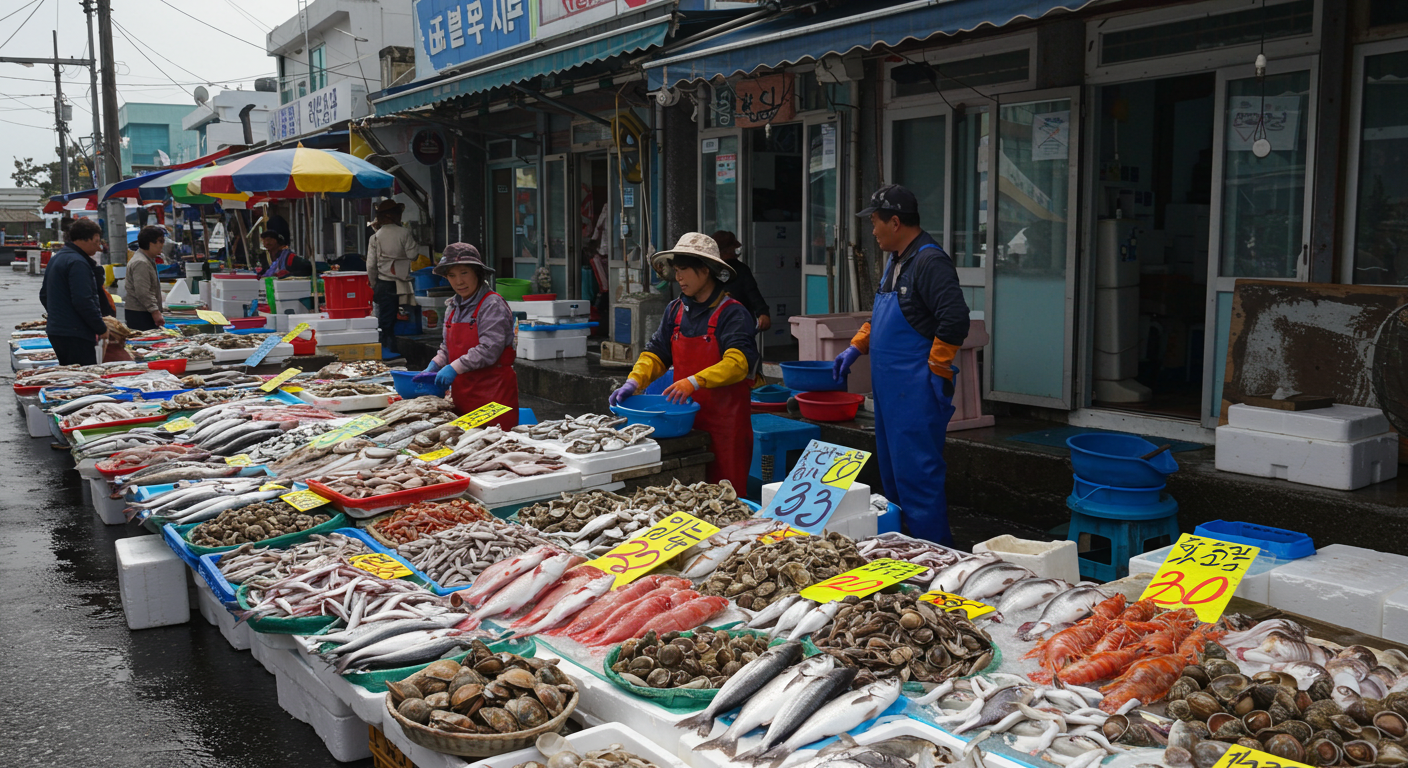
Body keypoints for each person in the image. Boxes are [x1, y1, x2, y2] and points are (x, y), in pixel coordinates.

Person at [833, 185, 970, 546]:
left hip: (917, 391)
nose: (872, 231)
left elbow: (955, 318)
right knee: (893, 477)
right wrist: (857, 346)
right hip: (892, 393)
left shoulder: (929, 261)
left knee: (918, 479)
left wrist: (937, 370)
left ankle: (937, 558)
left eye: (875, 222)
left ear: (895, 222)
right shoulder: (897, 259)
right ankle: (904, 551)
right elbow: (883, 315)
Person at [609, 233, 758, 490]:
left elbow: (738, 363)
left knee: (726, 498)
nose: (678, 277)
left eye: (684, 270)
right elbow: (656, 353)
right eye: (676, 270)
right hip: (685, 424)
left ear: (706, 270)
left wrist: (694, 381)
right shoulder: (675, 309)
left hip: (726, 427)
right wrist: (634, 382)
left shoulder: (733, 312)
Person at [413, 244, 518, 429]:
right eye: (452, 276)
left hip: (493, 395)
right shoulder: (453, 306)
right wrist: (436, 364)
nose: (459, 281)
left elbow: (489, 349)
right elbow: (447, 346)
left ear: (477, 273)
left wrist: (453, 368)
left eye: (464, 273)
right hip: (463, 395)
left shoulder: (492, 304)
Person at [40, 218, 112, 366]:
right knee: (82, 379)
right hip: (75, 334)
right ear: (85, 239)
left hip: (58, 331)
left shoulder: (58, 258)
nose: (99, 248)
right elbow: (83, 301)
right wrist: (100, 327)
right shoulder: (78, 262)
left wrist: (59, 316)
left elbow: (44, 295)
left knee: (69, 377)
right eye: (96, 241)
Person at [366, 199, 418, 356]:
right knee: (393, 317)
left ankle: (387, 348)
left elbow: (370, 265)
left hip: (383, 283)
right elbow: (413, 255)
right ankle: (389, 349)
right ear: (394, 215)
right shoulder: (404, 233)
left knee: (384, 317)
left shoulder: (375, 237)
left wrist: (373, 283)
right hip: (401, 283)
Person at [712, 230, 771, 331]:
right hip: (713, 324)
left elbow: (753, 293)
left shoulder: (741, 269)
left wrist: (763, 313)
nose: (735, 252)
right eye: (732, 249)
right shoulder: (708, 270)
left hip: (739, 323)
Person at [124, 225, 166, 331]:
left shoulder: (147, 259)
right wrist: (155, 311)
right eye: (160, 241)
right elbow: (143, 292)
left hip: (143, 312)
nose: (162, 244)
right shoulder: (141, 262)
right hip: (140, 314)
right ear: (151, 243)